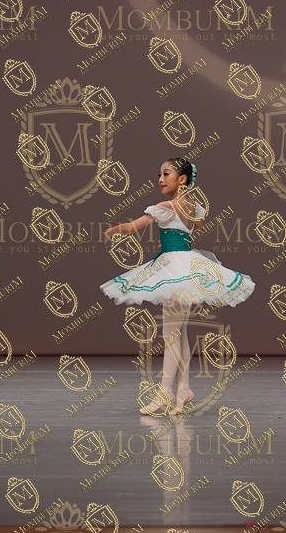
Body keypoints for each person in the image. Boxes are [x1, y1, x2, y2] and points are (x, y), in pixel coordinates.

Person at [100, 157, 255, 416]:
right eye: (160, 174)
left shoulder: (164, 206)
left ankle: (165, 392)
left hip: (174, 269)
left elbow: (131, 227)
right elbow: (194, 228)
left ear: (181, 179)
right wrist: (172, 238)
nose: (161, 179)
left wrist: (110, 231)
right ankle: (183, 389)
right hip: (189, 263)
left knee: (171, 334)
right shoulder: (195, 207)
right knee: (179, 332)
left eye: (166, 174)